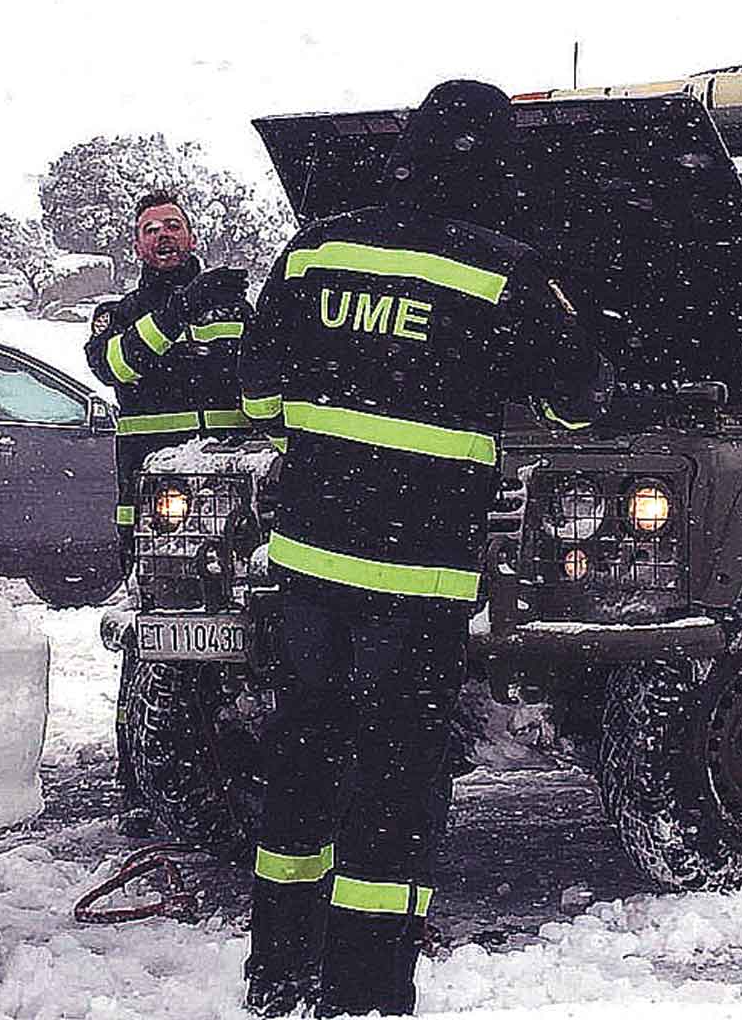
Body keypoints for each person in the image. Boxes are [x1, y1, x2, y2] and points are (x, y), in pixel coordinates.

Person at [237, 80, 612, 1016]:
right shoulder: (503, 271)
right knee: (396, 780)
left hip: (310, 564)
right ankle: (365, 992)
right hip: (416, 574)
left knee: (302, 759)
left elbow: (255, 399)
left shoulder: (316, 248)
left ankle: (280, 974)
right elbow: (577, 401)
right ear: (494, 163)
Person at [83, 191, 250, 832]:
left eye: (173, 225)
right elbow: (115, 364)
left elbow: (263, 375)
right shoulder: (118, 315)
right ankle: (139, 777)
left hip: (239, 507)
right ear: (136, 245)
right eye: (150, 229)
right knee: (150, 641)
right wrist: (179, 312)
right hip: (157, 514)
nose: (163, 237)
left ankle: (229, 761)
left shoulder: (232, 307)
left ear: (190, 234)